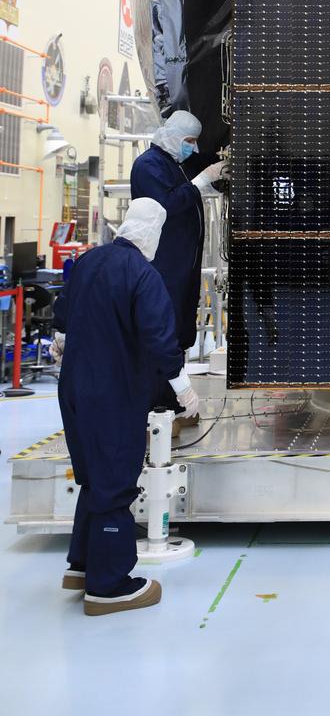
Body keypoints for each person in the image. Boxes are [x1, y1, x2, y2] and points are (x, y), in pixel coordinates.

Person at [53, 198, 199, 616]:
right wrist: (184, 390)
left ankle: (82, 565)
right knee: (115, 482)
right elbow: (160, 340)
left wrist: (66, 340)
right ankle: (111, 585)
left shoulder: (89, 260)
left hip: (75, 389)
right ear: (153, 233)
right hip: (112, 395)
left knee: (93, 477)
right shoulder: (142, 274)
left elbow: (62, 317)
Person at [130, 110, 226, 427]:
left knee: (179, 334)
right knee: (163, 336)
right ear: (172, 136)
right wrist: (202, 179)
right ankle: (157, 412)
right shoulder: (148, 166)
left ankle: (173, 406)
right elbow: (167, 207)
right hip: (164, 270)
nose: (192, 149)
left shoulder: (172, 167)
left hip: (180, 271)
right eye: (189, 142)